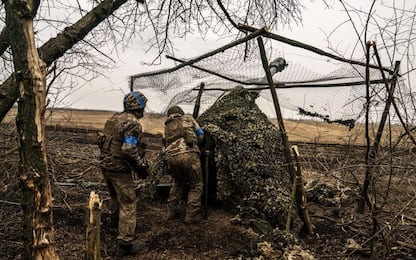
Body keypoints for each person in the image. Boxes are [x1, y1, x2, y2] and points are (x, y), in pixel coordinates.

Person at [97, 91, 149, 257]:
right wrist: (141, 167)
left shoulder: (113, 119)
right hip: (119, 170)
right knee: (128, 202)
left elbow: (104, 142)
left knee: (114, 197)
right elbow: (128, 150)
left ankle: (115, 224)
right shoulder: (133, 124)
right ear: (139, 107)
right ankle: (125, 244)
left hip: (105, 166)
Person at [163, 105, 204, 224]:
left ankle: (171, 212)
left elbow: (165, 143)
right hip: (189, 155)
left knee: (177, 183)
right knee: (196, 184)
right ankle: (192, 215)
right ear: (180, 112)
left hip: (171, 158)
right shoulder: (188, 119)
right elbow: (200, 135)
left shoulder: (167, 126)